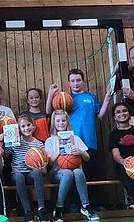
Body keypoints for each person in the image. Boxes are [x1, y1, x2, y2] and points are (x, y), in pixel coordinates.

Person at [46, 70, 112, 209]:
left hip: (88, 141)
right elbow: (50, 113)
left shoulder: (90, 97)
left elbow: (100, 116)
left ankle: (94, 204)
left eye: (78, 80)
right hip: (69, 143)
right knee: (72, 174)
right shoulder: (64, 99)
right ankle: (73, 204)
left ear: (83, 81)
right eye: (73, 80)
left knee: (91, 174)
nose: (76, 83)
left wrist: (107, 97)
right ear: (69, 82)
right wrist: (51, 95)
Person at [44, 110, 99, 222]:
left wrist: (79, 151)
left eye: (63, 120)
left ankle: (85, 206)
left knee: (77, 172)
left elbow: (87, 158)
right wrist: (60, 150)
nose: (61, 123)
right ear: (54, 123)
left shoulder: (75, 138)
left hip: (76, 171)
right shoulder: (50, 140)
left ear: (67, 122)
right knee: (68, 173)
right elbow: (48, 163)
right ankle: (59, 208)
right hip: (57, 172)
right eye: (58, 121)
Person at [6, 114, 49, 222]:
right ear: (19, 129)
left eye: (28, 125)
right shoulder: (15, 141)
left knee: (36, 172)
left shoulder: (39, 143)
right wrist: (3, 142)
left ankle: (41, 209)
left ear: (34, 126)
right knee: (19, 177)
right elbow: (6, 154)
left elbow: (44, 169)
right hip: (17, 174)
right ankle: (27, 212)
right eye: (23, 126)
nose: (26, 128)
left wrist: (42, 169)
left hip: (31, 173)